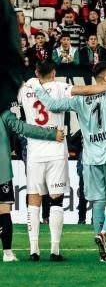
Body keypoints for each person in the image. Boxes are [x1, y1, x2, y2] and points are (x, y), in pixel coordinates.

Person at [33, 61, 106, 262]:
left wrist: (38, 88)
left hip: (90, 159)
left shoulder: (79, 99)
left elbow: (52, 105)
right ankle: (103, 233)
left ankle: (102, 247)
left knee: (97, 202)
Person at [15, 62, 71, 262]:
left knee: (34, 199)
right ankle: (55, 250)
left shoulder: (25, 89)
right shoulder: (60, 87)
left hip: (34, 153)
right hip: (56, 150)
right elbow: (83, 91)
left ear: (36, 72)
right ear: (54, 73)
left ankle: (34, 250)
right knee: (56, 200)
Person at [1, 99, 63, 262]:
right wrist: (51, 134)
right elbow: (23, 128)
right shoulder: (4, 114)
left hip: (20, 160)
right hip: (3, 169)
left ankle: (30, 250)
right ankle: (8, 253)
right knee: (3, 210)